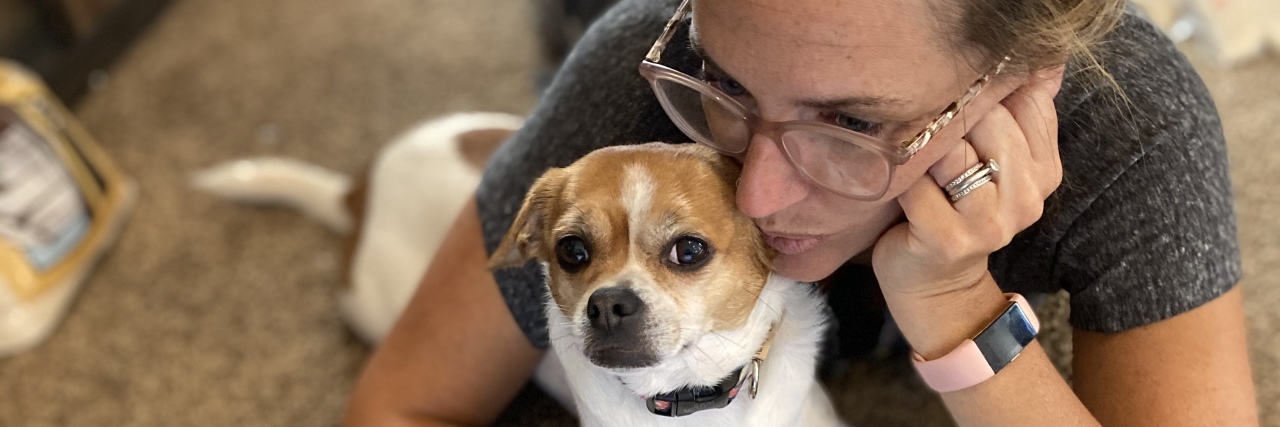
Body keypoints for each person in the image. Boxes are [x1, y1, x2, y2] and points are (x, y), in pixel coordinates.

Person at [342, 0, 1260, 425]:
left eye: (852, 121)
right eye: (728, 86)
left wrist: (954, 303)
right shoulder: (635, 85)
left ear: (1016, 86)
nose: (756, 195)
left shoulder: (1132, 127)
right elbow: (396, 406)